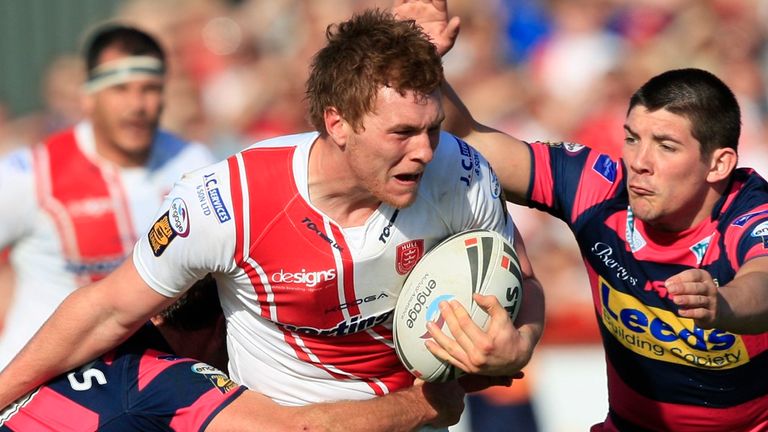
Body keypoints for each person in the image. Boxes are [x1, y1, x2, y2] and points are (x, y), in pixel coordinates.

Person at [0, 7, 545, 423]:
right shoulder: (227, 199)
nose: (425, 150)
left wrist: (518, 341)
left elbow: (522, 279)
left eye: (431, 128)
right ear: (338, 124)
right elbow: (105, 310)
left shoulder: (459, 172)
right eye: (401, 133)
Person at [398, 1, 768, 430]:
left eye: (666, 146)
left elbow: (763, 283)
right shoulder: (599, 188)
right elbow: (468, 140)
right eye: (632, 138)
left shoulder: (750, 208)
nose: (639, 162)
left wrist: (722, 303)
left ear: (719, 164)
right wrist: (419, 56)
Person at [0, 275, 474, 431]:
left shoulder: (102, 336)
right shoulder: (166, 380)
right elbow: (299, 430)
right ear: (230, 323)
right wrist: (426, 403)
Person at [0, 24, 216, 367]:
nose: (136, 104)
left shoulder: (196, 165)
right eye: (120, 89)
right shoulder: (29, 174)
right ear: (88, 97)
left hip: (149, 387)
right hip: (39, 391)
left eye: (149, 89)